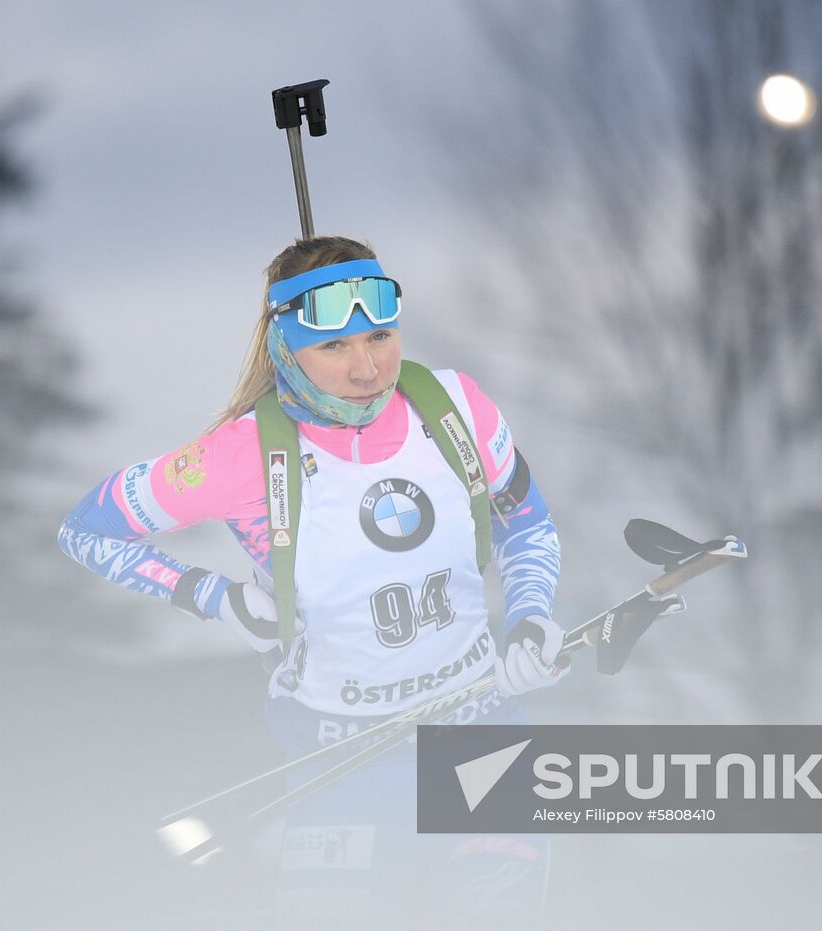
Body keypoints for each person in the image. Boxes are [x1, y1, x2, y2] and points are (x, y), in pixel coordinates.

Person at [57, 236, 566, 928]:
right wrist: (216, 598)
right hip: (341, 765)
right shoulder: (240, 454)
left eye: (380, 336)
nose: (367, 368)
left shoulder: (454, 406)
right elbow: (87, 530)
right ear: (287, 348)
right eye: (334, 347)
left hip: (481, 742)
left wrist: (531, 617)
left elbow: (526, 523)